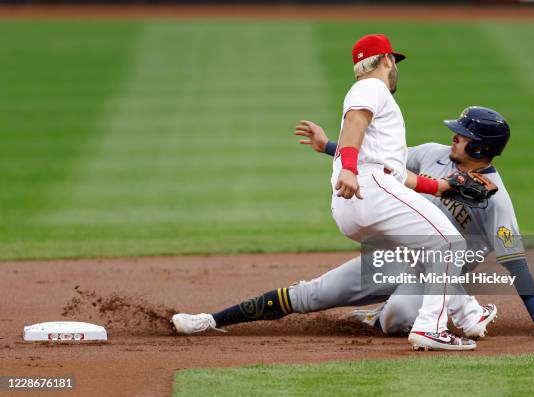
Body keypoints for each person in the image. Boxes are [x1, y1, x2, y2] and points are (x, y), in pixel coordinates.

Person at [173, 34, 488, 351]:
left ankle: (469, 316)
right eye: (393, 61)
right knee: (449, 243)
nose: (394, 69)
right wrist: (349, 169)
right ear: (386, 60)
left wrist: (444, 187)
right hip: (370, 189)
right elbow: (354, 124)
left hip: (357, 203)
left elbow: (396, 174)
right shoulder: (371, 87)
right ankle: (429, 329)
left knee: (426, 252)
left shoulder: (373, 99)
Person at [294, 106, 534, 338]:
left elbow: (515, 262)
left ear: (479, 147)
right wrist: (328, 146)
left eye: (463, 136)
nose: (454, 137)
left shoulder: (495, 200)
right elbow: (381, 162)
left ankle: (380, 314)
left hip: (436, 273)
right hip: (398, 254)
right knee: (320, 292)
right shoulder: (432, 154)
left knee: (396, 320)